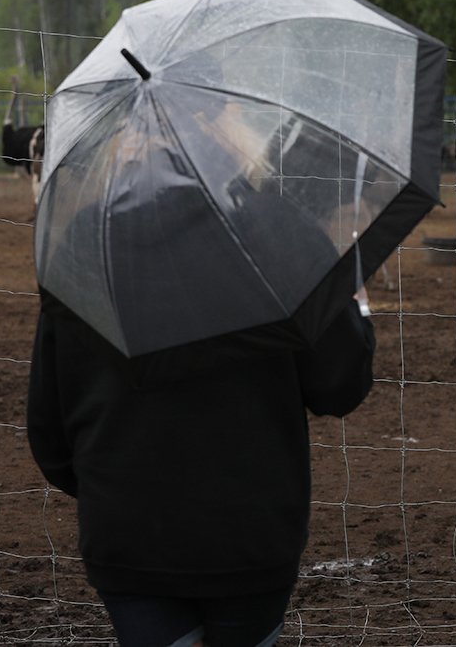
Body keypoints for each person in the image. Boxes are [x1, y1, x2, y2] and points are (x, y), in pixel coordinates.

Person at [27, 137, 376, 647]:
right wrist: (355, 309)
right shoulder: (281, 230)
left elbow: (49, 432)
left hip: (130, 536)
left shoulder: (84, 240)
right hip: (249, 536)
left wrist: (120, 491)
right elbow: (338, 385)